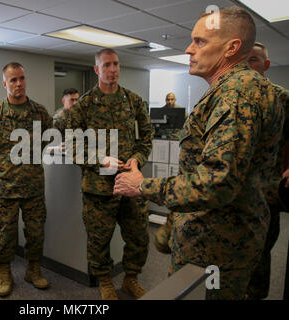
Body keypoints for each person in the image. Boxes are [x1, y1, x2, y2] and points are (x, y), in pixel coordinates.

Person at [113, 7, 284, 300]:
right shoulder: (261, 89)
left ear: (232, 47)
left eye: (200, 41)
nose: (189, 49)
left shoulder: (235, 95)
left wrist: (141, 185)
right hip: (236, 232)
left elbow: (216, 183)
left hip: (216, 243)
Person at [65, 48, 154, 300]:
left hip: (130, 182)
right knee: (99, 239)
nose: (112, 69)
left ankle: (130, 279)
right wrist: (99, 159)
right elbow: (73, 145)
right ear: (97, 69)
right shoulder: (83, 105)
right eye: (106, 65)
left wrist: (137, 159)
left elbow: (147, 137)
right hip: (98, 187)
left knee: (138, 235)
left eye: (116, 64)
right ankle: (105, 281)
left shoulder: (133, 100)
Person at [0, 62, 53, 297]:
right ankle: (4, 272)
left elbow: (48, 138)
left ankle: (33, 269)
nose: (18, 83)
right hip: (5, 188)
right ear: (4, 84)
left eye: (21, 78)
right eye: (13, 80)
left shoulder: (40, 112)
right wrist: (2, 168)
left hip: (33, 187)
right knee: (4, 234)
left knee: (36, 232)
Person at [246, 42, 289, 300]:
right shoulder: (232, 96)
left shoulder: (282, 98)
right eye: (244, 60)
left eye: (254, 60)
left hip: (266, 192)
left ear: (266, 65)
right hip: (234, 191)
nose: (248, 66)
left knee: (260, 252)